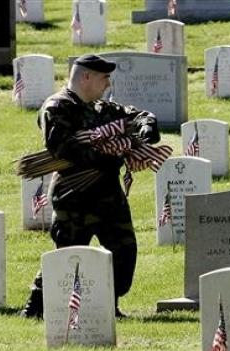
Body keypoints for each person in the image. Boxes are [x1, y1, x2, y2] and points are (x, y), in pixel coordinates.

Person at [20, 54, 161, 318]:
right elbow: (65, 149)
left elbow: (135, 114)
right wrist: (116, 152)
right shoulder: (57, 107)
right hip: (75, 195)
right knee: (67, 254)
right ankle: (35, 308)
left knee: (123, 251)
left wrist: (147, 126)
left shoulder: (100, 108)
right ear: (86, 77)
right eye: (104, 78)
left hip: (108, 194)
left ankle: (109, 304)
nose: (108, 84)